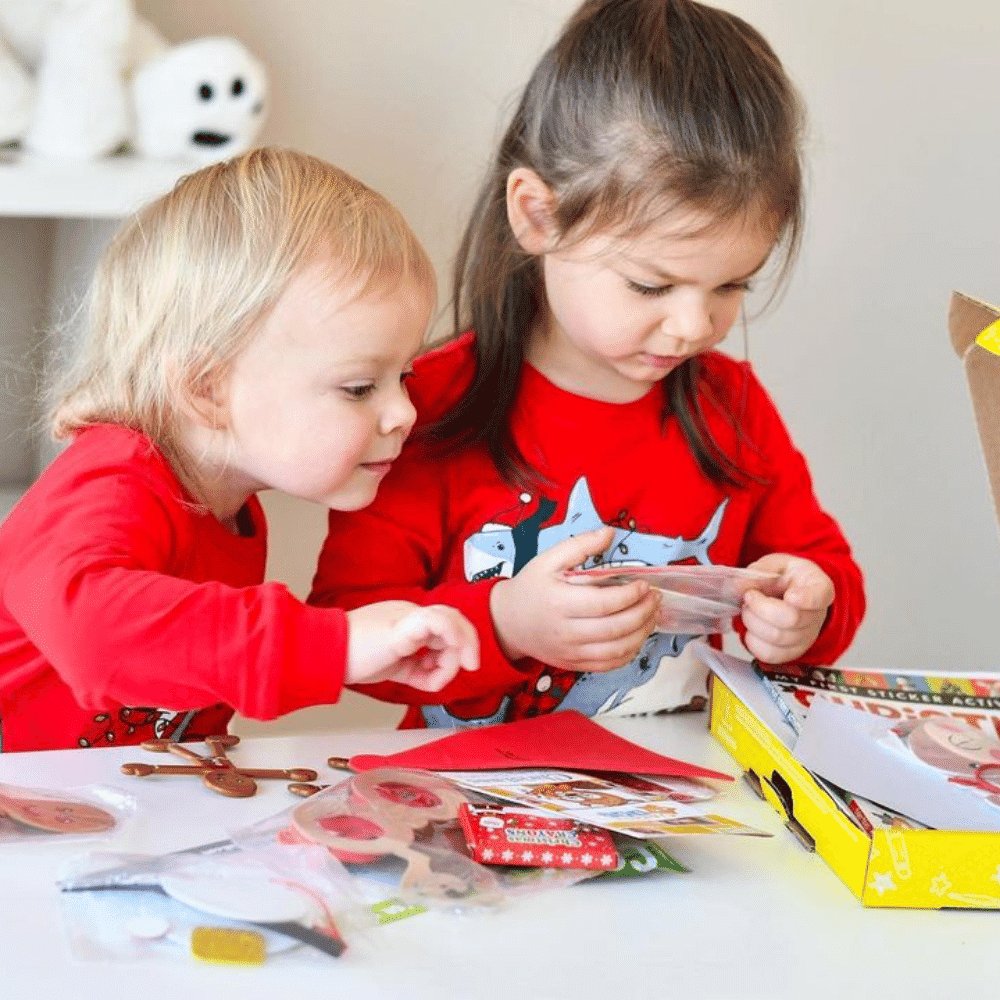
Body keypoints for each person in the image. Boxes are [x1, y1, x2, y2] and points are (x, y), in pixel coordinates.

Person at [310, 0, 865, 730]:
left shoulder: (731, 406)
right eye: (651, 284)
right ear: (539, 216)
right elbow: (346, 627)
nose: (696, 325)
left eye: (732, 284)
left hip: (684, 799)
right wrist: (505, 624)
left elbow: (823, 571)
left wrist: (809, 607)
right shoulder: (427, 407)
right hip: (473, 807)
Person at [0, 148, 479, 752]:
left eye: (403, 377)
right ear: (207, 388)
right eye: (359, 387)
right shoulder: (108, 484)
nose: (403, 412)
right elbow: (94, 635)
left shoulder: (229, 506)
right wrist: (337, 645)